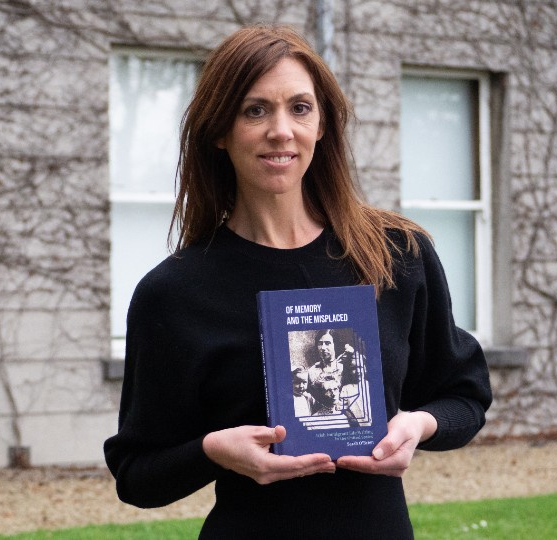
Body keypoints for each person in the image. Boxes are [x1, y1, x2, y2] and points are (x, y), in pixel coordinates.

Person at [104, 23, 492, 539]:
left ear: (323, 124)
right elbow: (136, 475)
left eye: (300, 108)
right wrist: (214, 451)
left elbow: (463, 397)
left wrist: (419, 426)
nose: (281, 130)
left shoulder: (397, 255)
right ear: (220, 131)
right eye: (255, 109)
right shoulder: (173, 294)